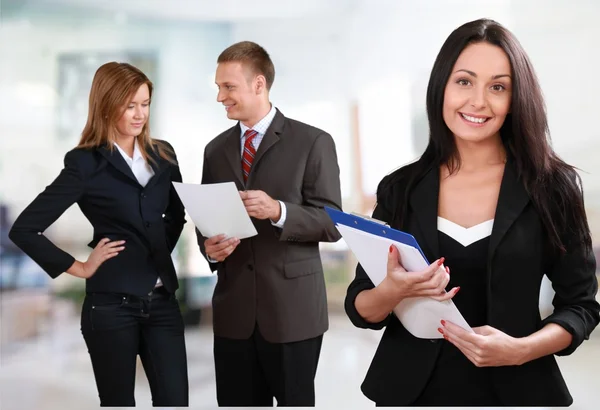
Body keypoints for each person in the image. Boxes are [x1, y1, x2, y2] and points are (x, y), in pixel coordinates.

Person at [345, 18, 600, 407]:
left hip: (520, 390)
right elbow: (361, 306)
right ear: (442, 88)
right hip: (410, 392)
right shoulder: (400, 188)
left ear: (516, 99)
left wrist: (522, 349)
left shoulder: (552, 187)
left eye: (498, 87)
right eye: (464, 81)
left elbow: (581, 305)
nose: (478, 101)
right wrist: (393, 290)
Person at [9, 62, 189, 407]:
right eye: (130, 105)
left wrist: (156, 250)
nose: (140, 114)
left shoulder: (163, 154)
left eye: (145, 104)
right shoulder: (84, 164)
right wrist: (79, 267)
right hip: (110, 306)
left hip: (163, 302)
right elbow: (25, 229)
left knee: (175, 401)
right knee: (117, 402)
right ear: (106, 104)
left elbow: (176, 215)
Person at [197, 41, 342, 407]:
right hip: (233, 313)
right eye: (218, 87)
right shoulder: (214, 151)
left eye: (228, 87)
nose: (220, 97)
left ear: (258, 84)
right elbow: (206, 220)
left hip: (293, 313)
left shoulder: (313, 142)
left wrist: (279, 211)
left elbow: (331, 223)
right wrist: (209, 248)